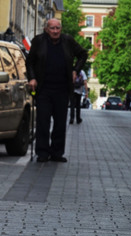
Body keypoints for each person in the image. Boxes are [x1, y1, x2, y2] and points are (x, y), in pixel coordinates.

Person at [25, 18, 88, 163]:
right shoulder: (38, 41)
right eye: (52, 28)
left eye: (57, 28)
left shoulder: (68, 41)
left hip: (62, 88)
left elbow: (83, 55)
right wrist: (32, 78)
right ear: (46, 29)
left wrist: (75, 70)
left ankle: (57, 152)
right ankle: (42, 152)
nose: (55, 31)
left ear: (61, 29)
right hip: (44, 89)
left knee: (60, 123)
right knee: (43, 121)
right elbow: (30, 62)